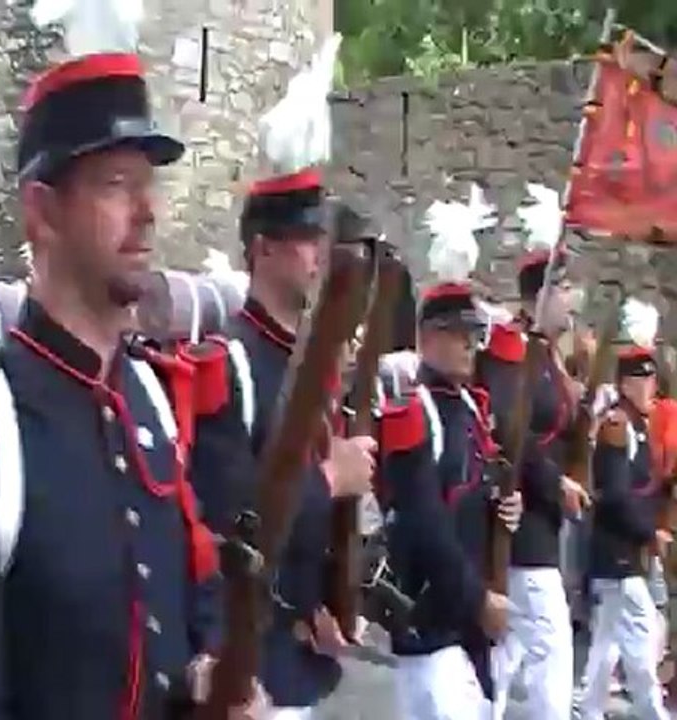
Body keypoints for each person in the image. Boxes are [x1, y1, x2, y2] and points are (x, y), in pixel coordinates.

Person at [0, 46, 265, 719]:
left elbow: (190, 577)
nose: (148, 211)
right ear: (43, 213)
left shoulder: (151, 395)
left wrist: (211, 666)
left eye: (150, 184)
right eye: (117, 183)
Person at [204, 168, 376, 716]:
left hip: (303, 658)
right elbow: (227, 520)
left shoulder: (312, 366)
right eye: (307, 239)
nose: (320, 254)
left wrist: (331, 601)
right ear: (263, 249)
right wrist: (330, 480)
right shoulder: (228, 362)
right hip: (250, 673)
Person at [380, 276, 523, 720]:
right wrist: (478, 600)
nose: (470, 344)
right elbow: (424, 524)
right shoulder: (414, 407)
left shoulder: (467, 407)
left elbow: (468, 494)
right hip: (433, 625)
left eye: (474, 333)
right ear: (428, 336)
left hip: (466, 626)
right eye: (458, 333)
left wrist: (503, 509)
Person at [476, 246, 588, 720]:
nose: (572, 301)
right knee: (551, 643)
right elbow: (508, 426)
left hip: (541, 519)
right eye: (563, 289)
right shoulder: (513, 349)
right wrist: (555, 480)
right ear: (539, 295)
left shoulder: (546, 355)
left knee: (507, 650)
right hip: (517, 514)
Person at [578, 298, 670, 720]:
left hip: (619, 556)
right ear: (627, 382)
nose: (650, 386)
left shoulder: (635, 427)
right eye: (642, 378)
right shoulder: (618, 427)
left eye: (652, 378)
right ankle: (653, 712)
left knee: (608, 642)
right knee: (642, 637)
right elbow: (614, 496)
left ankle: (587, 709)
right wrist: (649, 532)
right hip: (616, 554)